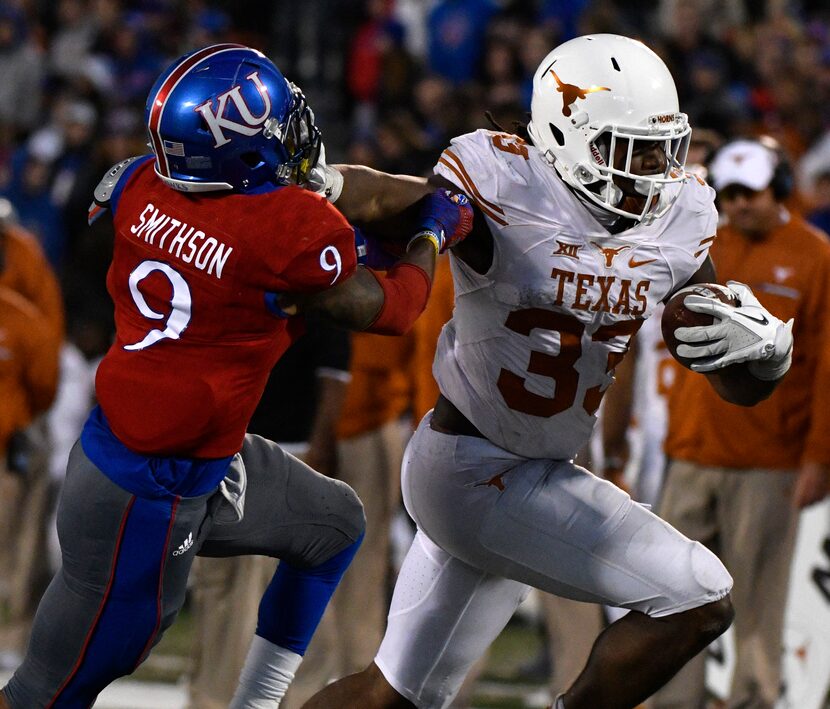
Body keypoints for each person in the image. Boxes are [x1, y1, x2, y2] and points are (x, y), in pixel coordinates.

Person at [302, 34, 797, 709]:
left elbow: (726, 375)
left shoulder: (677, 219)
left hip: (519, 467)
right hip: (476, 464)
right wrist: (324, 184)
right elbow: (404, 199)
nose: (654, 170)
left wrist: (765, 355)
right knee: (699, 595)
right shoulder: (506, 182)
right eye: (629, 149)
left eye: (660, 148)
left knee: (395, 695)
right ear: (567, 134)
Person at [0, 43, 473, 709]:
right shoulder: (283, 228)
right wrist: (432, 234)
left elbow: (298, 219)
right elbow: (392, 308)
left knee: (332, 523)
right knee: (44, 694)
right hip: (144, 496)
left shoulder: (139, 182)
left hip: (176, 454)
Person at [651, 138, 830, 709]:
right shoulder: (706, 240)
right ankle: (674, 703)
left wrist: (818, 458)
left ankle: (755, 701)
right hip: (691, 451)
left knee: (758, 604)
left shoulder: (815, 254)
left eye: (749, 193)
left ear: (778, 187)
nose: (738, 205)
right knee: (672, 598)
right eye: (729, 194)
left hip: (767, 460)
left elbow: (828, 365)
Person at [189, 315, 351, 709]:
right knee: (221, 590)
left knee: (294, 590)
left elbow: (333, 373)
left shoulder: (321, 286)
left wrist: (320, 448)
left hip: (289, 455)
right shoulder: (234, 277)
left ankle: (298, 698)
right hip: (226, 453)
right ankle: (212, 698)